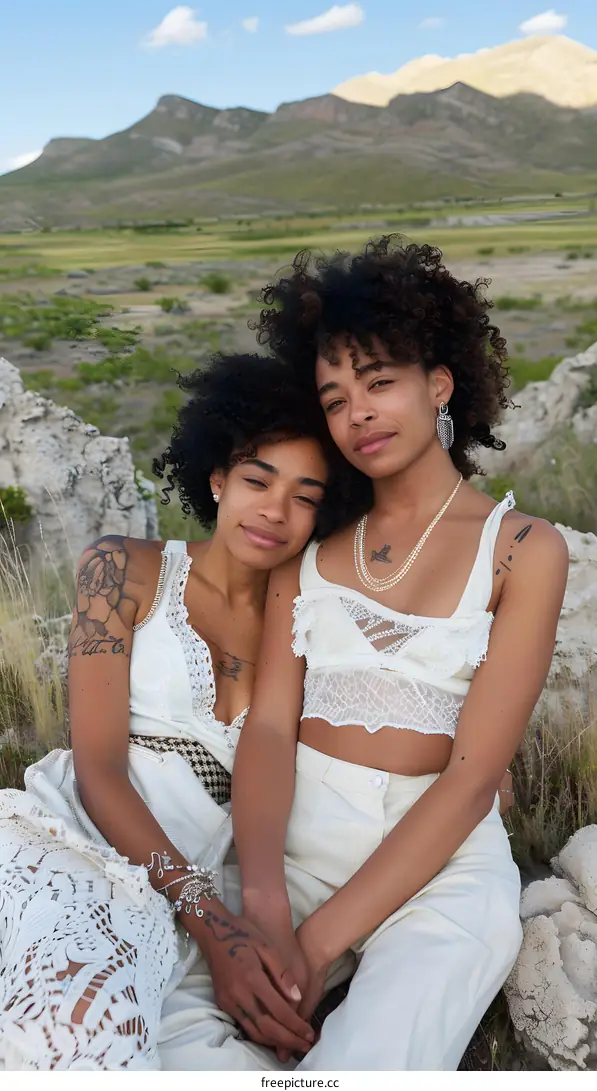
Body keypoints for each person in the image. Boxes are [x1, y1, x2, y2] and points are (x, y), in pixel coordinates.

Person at [227, 237, 569, 1071]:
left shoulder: (522, 546)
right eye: (335, 397)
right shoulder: (310, 547)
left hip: (443, 856)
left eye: (380, 382)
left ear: (439, 384)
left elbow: (471, 776)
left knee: (373, 1060)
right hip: (295, 836)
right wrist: (267, 904)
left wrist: (314, 947)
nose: (358, 414)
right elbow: (270, 728)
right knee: (168, 1018)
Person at [0, 352, 363, 1071]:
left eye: (304, 495)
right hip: (77, 839)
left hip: (196, 886)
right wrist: (212, 922)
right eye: (258, 479)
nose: (274, 510)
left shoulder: (312, 627)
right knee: (70, 1026)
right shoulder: (123, 568)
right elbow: (99, 771)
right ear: (219, 477)